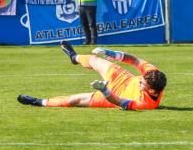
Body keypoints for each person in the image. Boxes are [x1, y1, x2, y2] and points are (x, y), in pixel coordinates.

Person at [17, 43, 167, 110]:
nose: (140, 80)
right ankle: (74, 57)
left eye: (143, 84)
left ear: (152, 92)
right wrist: (111, 53)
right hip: (123, 78)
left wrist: (105, 90)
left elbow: (120, 102)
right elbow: (134, 60)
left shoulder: (146, 105)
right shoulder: (151, 74)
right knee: (94, 59)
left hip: (113, 95)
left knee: (74, 100)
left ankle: (40, 102)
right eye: (141, 79)